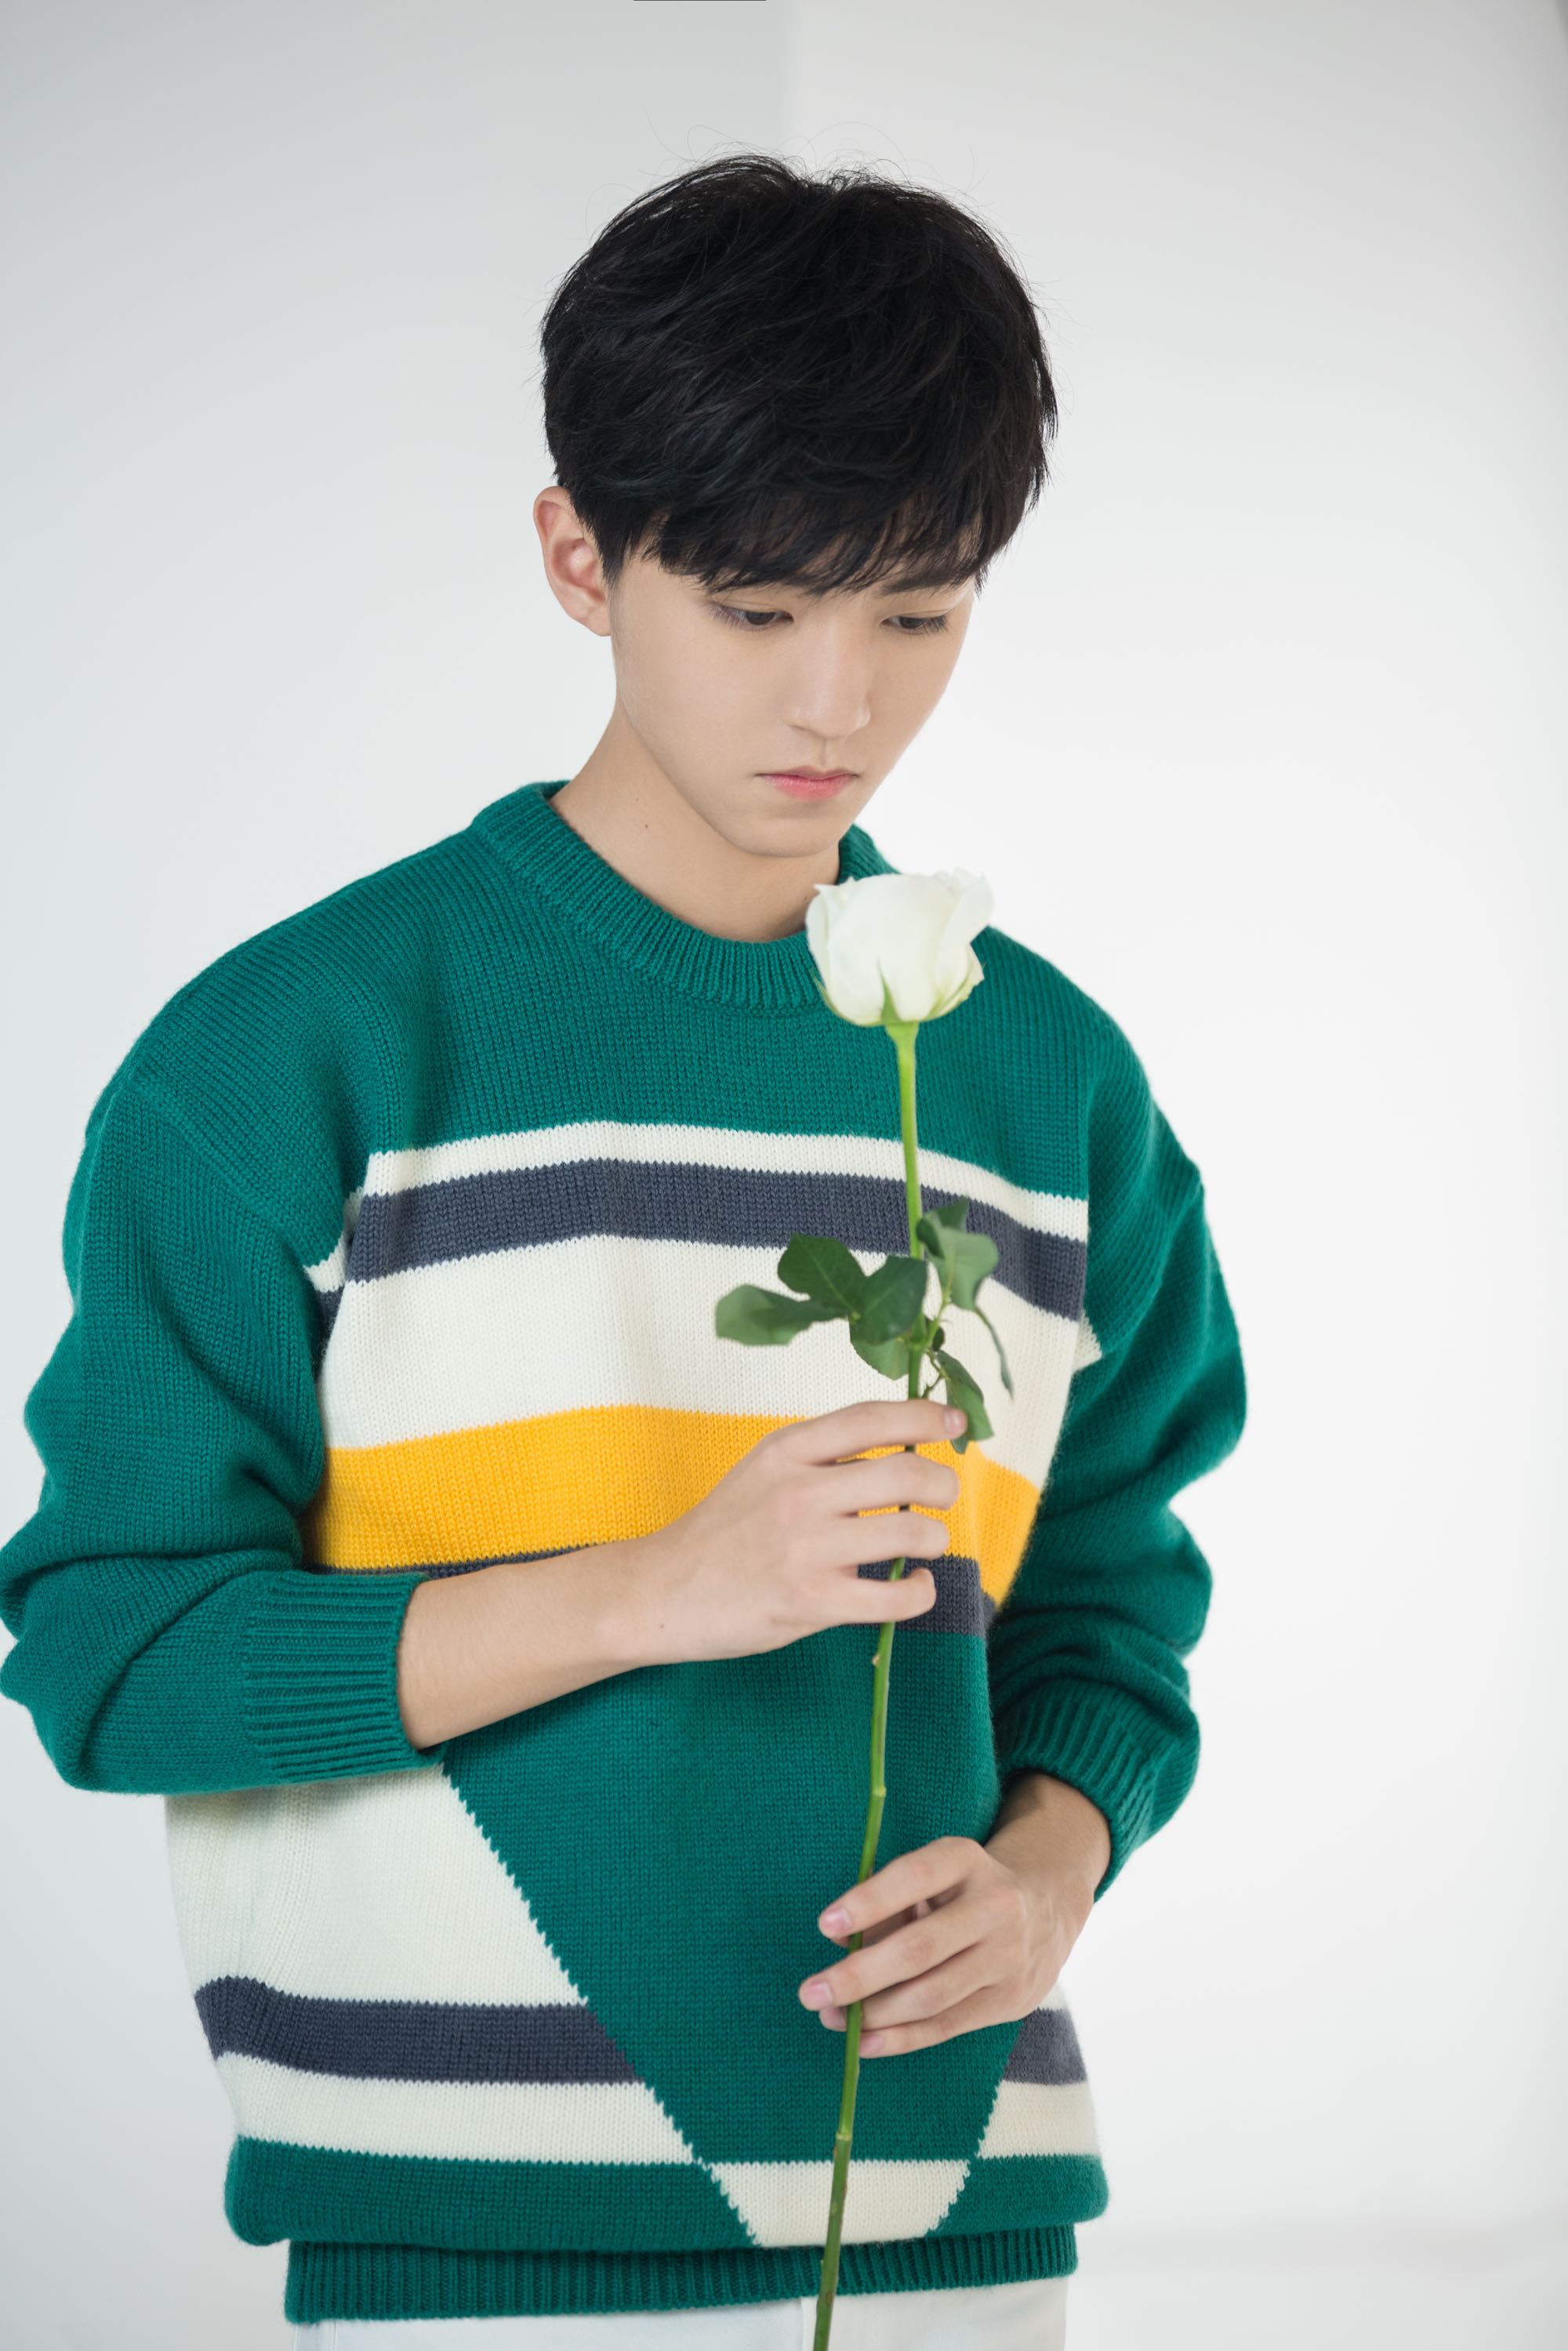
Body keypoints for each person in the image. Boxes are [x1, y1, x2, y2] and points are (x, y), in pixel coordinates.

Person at [0, 153, 1247, 2348]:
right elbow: (115, 1657)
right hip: (464, 2248)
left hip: (960, 2235)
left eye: (918, 612)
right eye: (757, 611)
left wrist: (1056, 1862)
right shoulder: (296, 1052)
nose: (837, 703)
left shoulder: (1050, 1080)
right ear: (581, 555)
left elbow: (1114, 1587)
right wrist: (658, 1592)